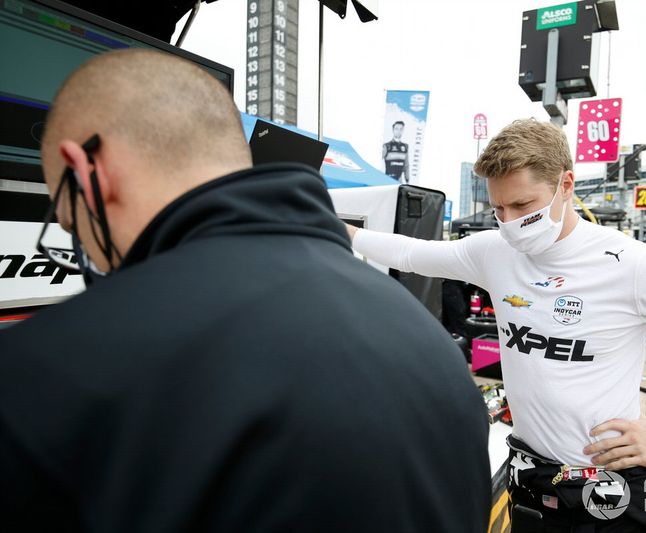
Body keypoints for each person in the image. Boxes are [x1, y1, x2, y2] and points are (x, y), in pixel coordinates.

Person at [0, 49, 491, 532]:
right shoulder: (429, 343)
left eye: (69, 219)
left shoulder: (42, 374)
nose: (84, 244)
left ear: (85, 170)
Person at [346, 119, 646, 532]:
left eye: (523, 205)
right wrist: (332, 227)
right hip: (531, 484)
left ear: (566, 185)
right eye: (499, 209)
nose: (510, 224)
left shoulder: (638, 266)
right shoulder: (492, 251)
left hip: (610, 489)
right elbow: (407, 252)